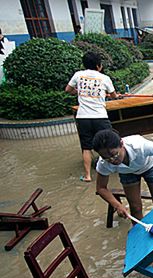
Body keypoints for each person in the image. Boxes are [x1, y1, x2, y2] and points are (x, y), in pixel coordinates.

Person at [65, 52, 117, 182]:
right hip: (100, 116)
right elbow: (114, 96)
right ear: (99, 65)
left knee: (86, 147)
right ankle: (114, 168)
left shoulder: (78, 75)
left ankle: (88, 176)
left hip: (83, 117)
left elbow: (68, 90)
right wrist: (104, 94)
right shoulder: (104, 78)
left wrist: (79, 92)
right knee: (109, 142)